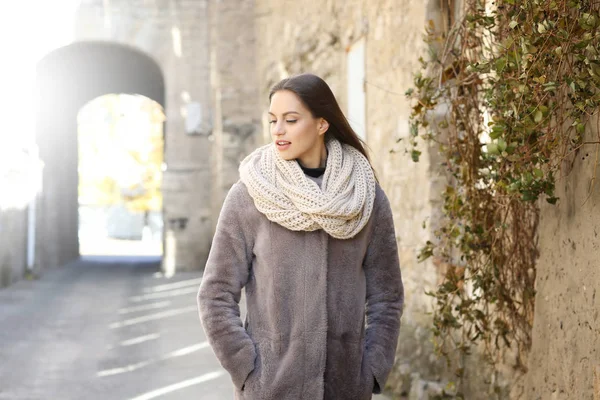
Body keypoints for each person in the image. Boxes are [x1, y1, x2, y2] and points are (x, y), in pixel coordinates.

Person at [197, 73, 404, 400]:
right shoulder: (250, 196)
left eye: (291, 120)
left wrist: (372, 369)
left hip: (345, 387)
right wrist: (247, 371)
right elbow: (215, 293)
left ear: (321, 124)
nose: (278, 130)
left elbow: (387, 296)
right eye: (273, 120)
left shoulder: (365, 198)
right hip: (271, 389)